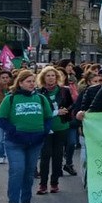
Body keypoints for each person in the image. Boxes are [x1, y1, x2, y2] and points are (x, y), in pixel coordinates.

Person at [0, 69, 51, 203]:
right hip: (15, 142)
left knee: (29, 172)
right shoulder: (11, 98)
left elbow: (49, 118)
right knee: (17, 171)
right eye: (28, 81)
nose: (32, 84)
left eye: (33, 81)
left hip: (35, 141)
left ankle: (26, 200)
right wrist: (14, 131)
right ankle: (13, 202)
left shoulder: (41, 98)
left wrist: (43, 132)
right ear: (20, 83)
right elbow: (1, 119)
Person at [36, 67, 73, 195]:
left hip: (61, 127)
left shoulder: (64, 91)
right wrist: (56, 112)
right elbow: (39, 111)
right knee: (45, 156)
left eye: (53, 75)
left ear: (57, 77)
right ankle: (42, 184)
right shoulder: (39, 93)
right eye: (48, 75)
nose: (51, 78)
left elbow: (71, 105)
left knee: (58, 156)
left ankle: (54, 183)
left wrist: (66, 111)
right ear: (43, 78)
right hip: (46, 128)